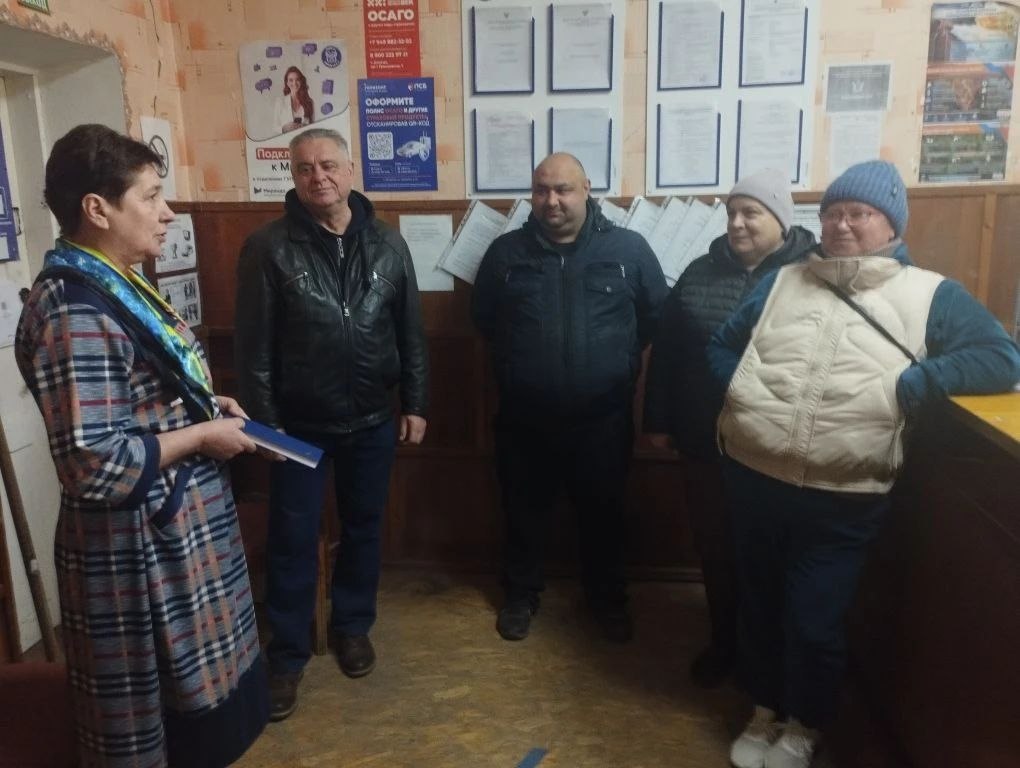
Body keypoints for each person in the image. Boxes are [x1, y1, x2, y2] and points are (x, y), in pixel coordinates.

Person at [708, 160, 1020, 768]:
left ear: (891, 224)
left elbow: (999, 357)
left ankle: (803, 724)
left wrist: (914, 383)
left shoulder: (930, 294)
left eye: (858, 213)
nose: (841, 225)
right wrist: (740, 392)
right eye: (831, 213)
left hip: (845, 494)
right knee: (759, 605)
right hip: (753, 478)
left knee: (813, 619)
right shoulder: (782, 282)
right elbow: (723, 344)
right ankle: (765, 708)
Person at [14, 124, 268, 767]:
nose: (168, 211)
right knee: (156, 731)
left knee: (207, 720)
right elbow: (93, 463)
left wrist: (204, 405)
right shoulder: (75, 310)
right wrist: (202, 434)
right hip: (136, 550)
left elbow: (141, 400)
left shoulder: (114, 281)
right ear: (97, 209)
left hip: (173, 531)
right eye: (151, 196)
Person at [235, 128, 428, 721]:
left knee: (365, 528)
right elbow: (253, 350)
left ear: (349, 170)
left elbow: (410, 332)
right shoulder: (268, 247)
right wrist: (266, 430)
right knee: (292, 538)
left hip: (372, 419)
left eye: (327, 165)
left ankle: (352, 627)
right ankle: (288, 654)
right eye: (303, 168)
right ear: (293, 177)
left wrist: (416, 402)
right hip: (297, 426)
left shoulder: (389, 244)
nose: (317, 176)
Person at [472, 153, 669, 644]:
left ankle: (607, 599)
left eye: (563, 189)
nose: (551, 200)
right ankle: (520, 596)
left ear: (586, 190)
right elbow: (485, 320)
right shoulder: (506, 254)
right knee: (522, 512)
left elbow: (653, 319)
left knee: (604, 514)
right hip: (525, 419)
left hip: (603, 420)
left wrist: (612, 365)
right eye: (541, 190)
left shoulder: (628, 250)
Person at [643, 169, 816, 689]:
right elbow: (667, 354)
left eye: (751, 213)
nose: (737, 223)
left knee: (776, 555)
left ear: (781, 220)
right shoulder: (699, 273)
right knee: (716, 549)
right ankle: (724, 643)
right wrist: (658, 420)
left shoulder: (813, 274)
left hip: (781, 447)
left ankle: (772, 655)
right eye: (731, 212)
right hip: (706, 442)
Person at [275, 66, 315, 133]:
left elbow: (314, 126)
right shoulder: (280, 102)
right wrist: (284, 128)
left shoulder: (309, 102)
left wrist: (305, 127)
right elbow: (275, 126)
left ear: (301, 81)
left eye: (297, 79)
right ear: (287, 83)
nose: (294, 83)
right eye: (291, 80)